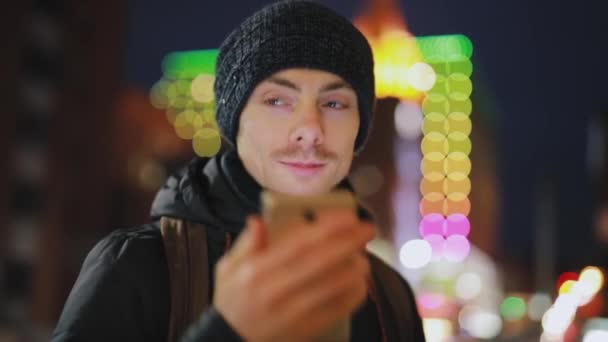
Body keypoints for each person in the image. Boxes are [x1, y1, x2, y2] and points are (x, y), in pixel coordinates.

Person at [51, 1, 425, 341]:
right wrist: (225, 331)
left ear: (360, 126)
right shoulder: (140, 266)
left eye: (334, 102)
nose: (310, 128)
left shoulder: (388, 293)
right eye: (277, 100)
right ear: (235, 121)